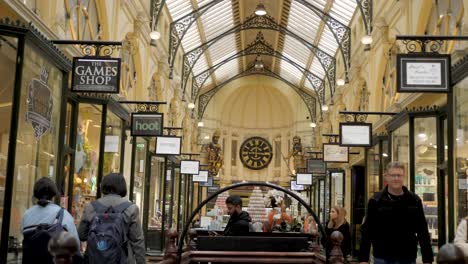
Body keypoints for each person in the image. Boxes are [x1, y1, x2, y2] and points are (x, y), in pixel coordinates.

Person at [359, 162, 434, 264]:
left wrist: (427, 259)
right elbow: (367, 231)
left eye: (399, 175)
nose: (396, 178)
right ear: (386, 177)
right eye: (393, 175)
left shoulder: (414, 200)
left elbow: (422, 230)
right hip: (382, 256)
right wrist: (363, 259)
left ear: (404, 177)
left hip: (407, 256)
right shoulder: (376, 201)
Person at [78, 173, 145, 264]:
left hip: (95, 259)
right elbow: (137, 241)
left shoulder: (91, 207)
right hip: (123, 260)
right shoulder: (131, 208)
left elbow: (81, 235)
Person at [21, 177, 80, 263]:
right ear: (54, 194)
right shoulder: (64, 214)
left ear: (35, 194)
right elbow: (76, 246)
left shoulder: (26, 214)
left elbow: (24, 235)